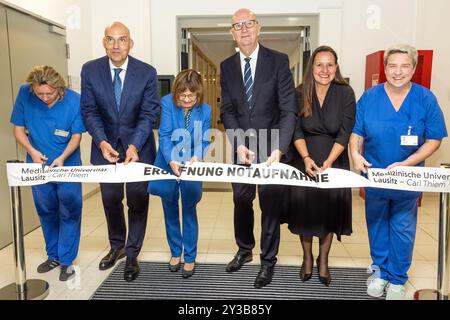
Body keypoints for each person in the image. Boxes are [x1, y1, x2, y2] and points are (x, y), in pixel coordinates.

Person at [349, 44, 447, 299]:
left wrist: (408, 163)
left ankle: (397, 279)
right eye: (392, 66)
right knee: (377, 224)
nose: (398, 72)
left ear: (413, 69)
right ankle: (380, 272)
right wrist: (356, 155)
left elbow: (434, 139)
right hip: (376, 175)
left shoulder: (425, 99)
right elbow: (357, 132)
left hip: (407, 177)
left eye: (405, 66)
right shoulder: (370, 97)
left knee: (403, 228)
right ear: (385, 68)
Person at [220, 8, 298, 288]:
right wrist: (238, 143)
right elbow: (226, 110)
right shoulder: (226, 66)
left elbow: (289, 109)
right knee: (241, 200)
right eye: (237, 26)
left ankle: (268, 261)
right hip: (242, 147)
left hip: (271, 148)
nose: (243, 29)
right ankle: (244, 249)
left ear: (258, 28)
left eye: (248, 24)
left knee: (270, 204)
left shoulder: (278, 61)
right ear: (232, 33)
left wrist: (280, 147)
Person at [80, 22, 160, 282]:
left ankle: (133, 252)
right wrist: (102, 141)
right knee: (110, 199)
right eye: (111, 40)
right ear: (104, 42)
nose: (116, 45)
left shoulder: (147, 72)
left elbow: (150, 113)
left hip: (139, 147)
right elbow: (89, 110)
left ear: (130, 43)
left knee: (137, 200)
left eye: (122, 39)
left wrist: (135, 145)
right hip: (104, 149)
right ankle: (117, 246)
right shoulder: (90, 70)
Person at [287, 46, 356, 287]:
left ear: (336, 67)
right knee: (305, 214)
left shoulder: (346, 93)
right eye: (319, 64)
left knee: (328, 214)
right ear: (311, 67)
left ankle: (323, 260)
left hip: (334, 161)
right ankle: (307, 259)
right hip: (304, 160)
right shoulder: (299, 93)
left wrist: (329, 161)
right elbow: (295, 129)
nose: (324, 70)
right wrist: (306, 157)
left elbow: (346, 131)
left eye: (330, 64)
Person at [10, 65, 85, 281]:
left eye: (49, 93)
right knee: (46, 210)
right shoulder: (26, 93)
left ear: (59, 88)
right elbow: (18, 129)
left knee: (69, 210)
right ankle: (53, 255)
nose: (44, 98)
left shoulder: (73, 100)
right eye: (39, 93)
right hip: (37, 165)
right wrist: (32, 152)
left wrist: (61, 158)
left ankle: (66, 260)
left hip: (67, 165)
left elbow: (76, 137)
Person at [148, 70, 211, 278]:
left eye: (190, 96)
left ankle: (190, 256)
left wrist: (197, 157)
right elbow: (165, 135)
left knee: (189, 208)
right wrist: (171, 160)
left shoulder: (206, 110)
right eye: (182, 95)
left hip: (192, 163)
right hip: (169, 160)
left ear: (198, 94)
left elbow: (203, 139)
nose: (185, 100)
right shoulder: (167, 102)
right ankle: (176, 252)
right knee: (170, 206)